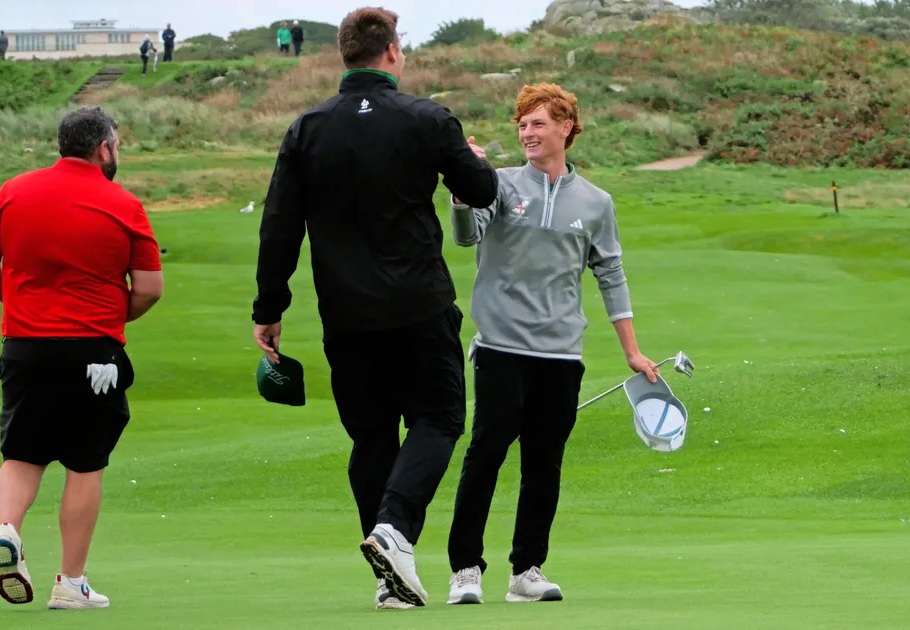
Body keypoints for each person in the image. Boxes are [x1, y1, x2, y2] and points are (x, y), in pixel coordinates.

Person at [251, 5, 497, 610]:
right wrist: (474, 160)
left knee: (371, 437)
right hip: (419, 303)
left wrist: (270, 306)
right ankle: (394, 531)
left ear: (346, 54)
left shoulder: (307, 128)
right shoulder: (427, 118)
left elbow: (279, 226)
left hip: (347, 313)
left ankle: (391, 577)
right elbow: (483, 189)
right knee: (439, 419)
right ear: (391, 52)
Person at [444, 83, 659, 605]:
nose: (527, 133)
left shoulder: (597, 202)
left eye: (538, 123)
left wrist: (632, 351)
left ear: (566, 128)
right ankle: (465, 569)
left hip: (561, 353)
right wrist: (459, 191)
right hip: (501, 346)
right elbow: (467, 236)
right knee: (487, 452)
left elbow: (611, 273)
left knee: (544, 463)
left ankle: (527, 570)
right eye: (522, 125)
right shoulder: (498, 184)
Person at [0, 106, 164, 610]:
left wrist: (19, 304)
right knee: (85, 462)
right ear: (104, 149)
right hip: (94, 353)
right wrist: (109, 316)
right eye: (116, 146)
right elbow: (149, 288)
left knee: (22, 454)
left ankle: (8, 529)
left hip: (25, 347)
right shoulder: (124, 204)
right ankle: (69, 583)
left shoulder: (13, 191)